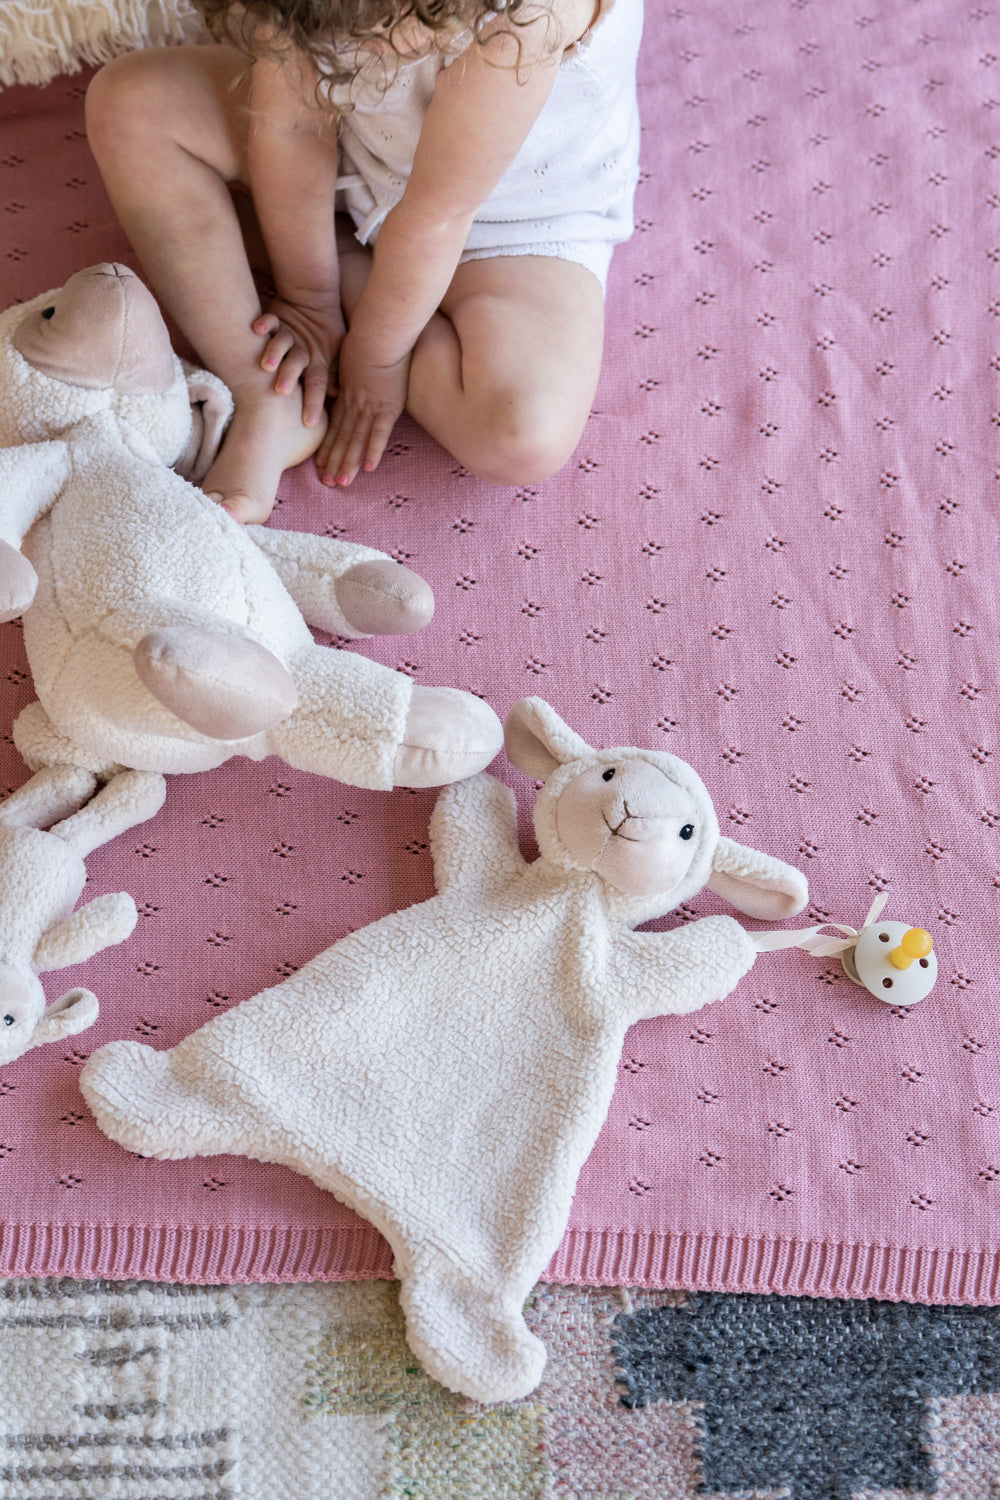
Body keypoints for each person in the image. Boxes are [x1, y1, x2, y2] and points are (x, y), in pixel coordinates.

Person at [84, 0, 643, 522]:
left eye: (382, 29)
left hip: (512, 222)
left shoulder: (531, 14)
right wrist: (308, 297)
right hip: (355, 150)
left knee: (522, 437)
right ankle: (267, 395)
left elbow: (438, 216)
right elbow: (292, 127)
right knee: (127, 104)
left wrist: (377, 358)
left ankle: (348, 269)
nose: (365, 51)